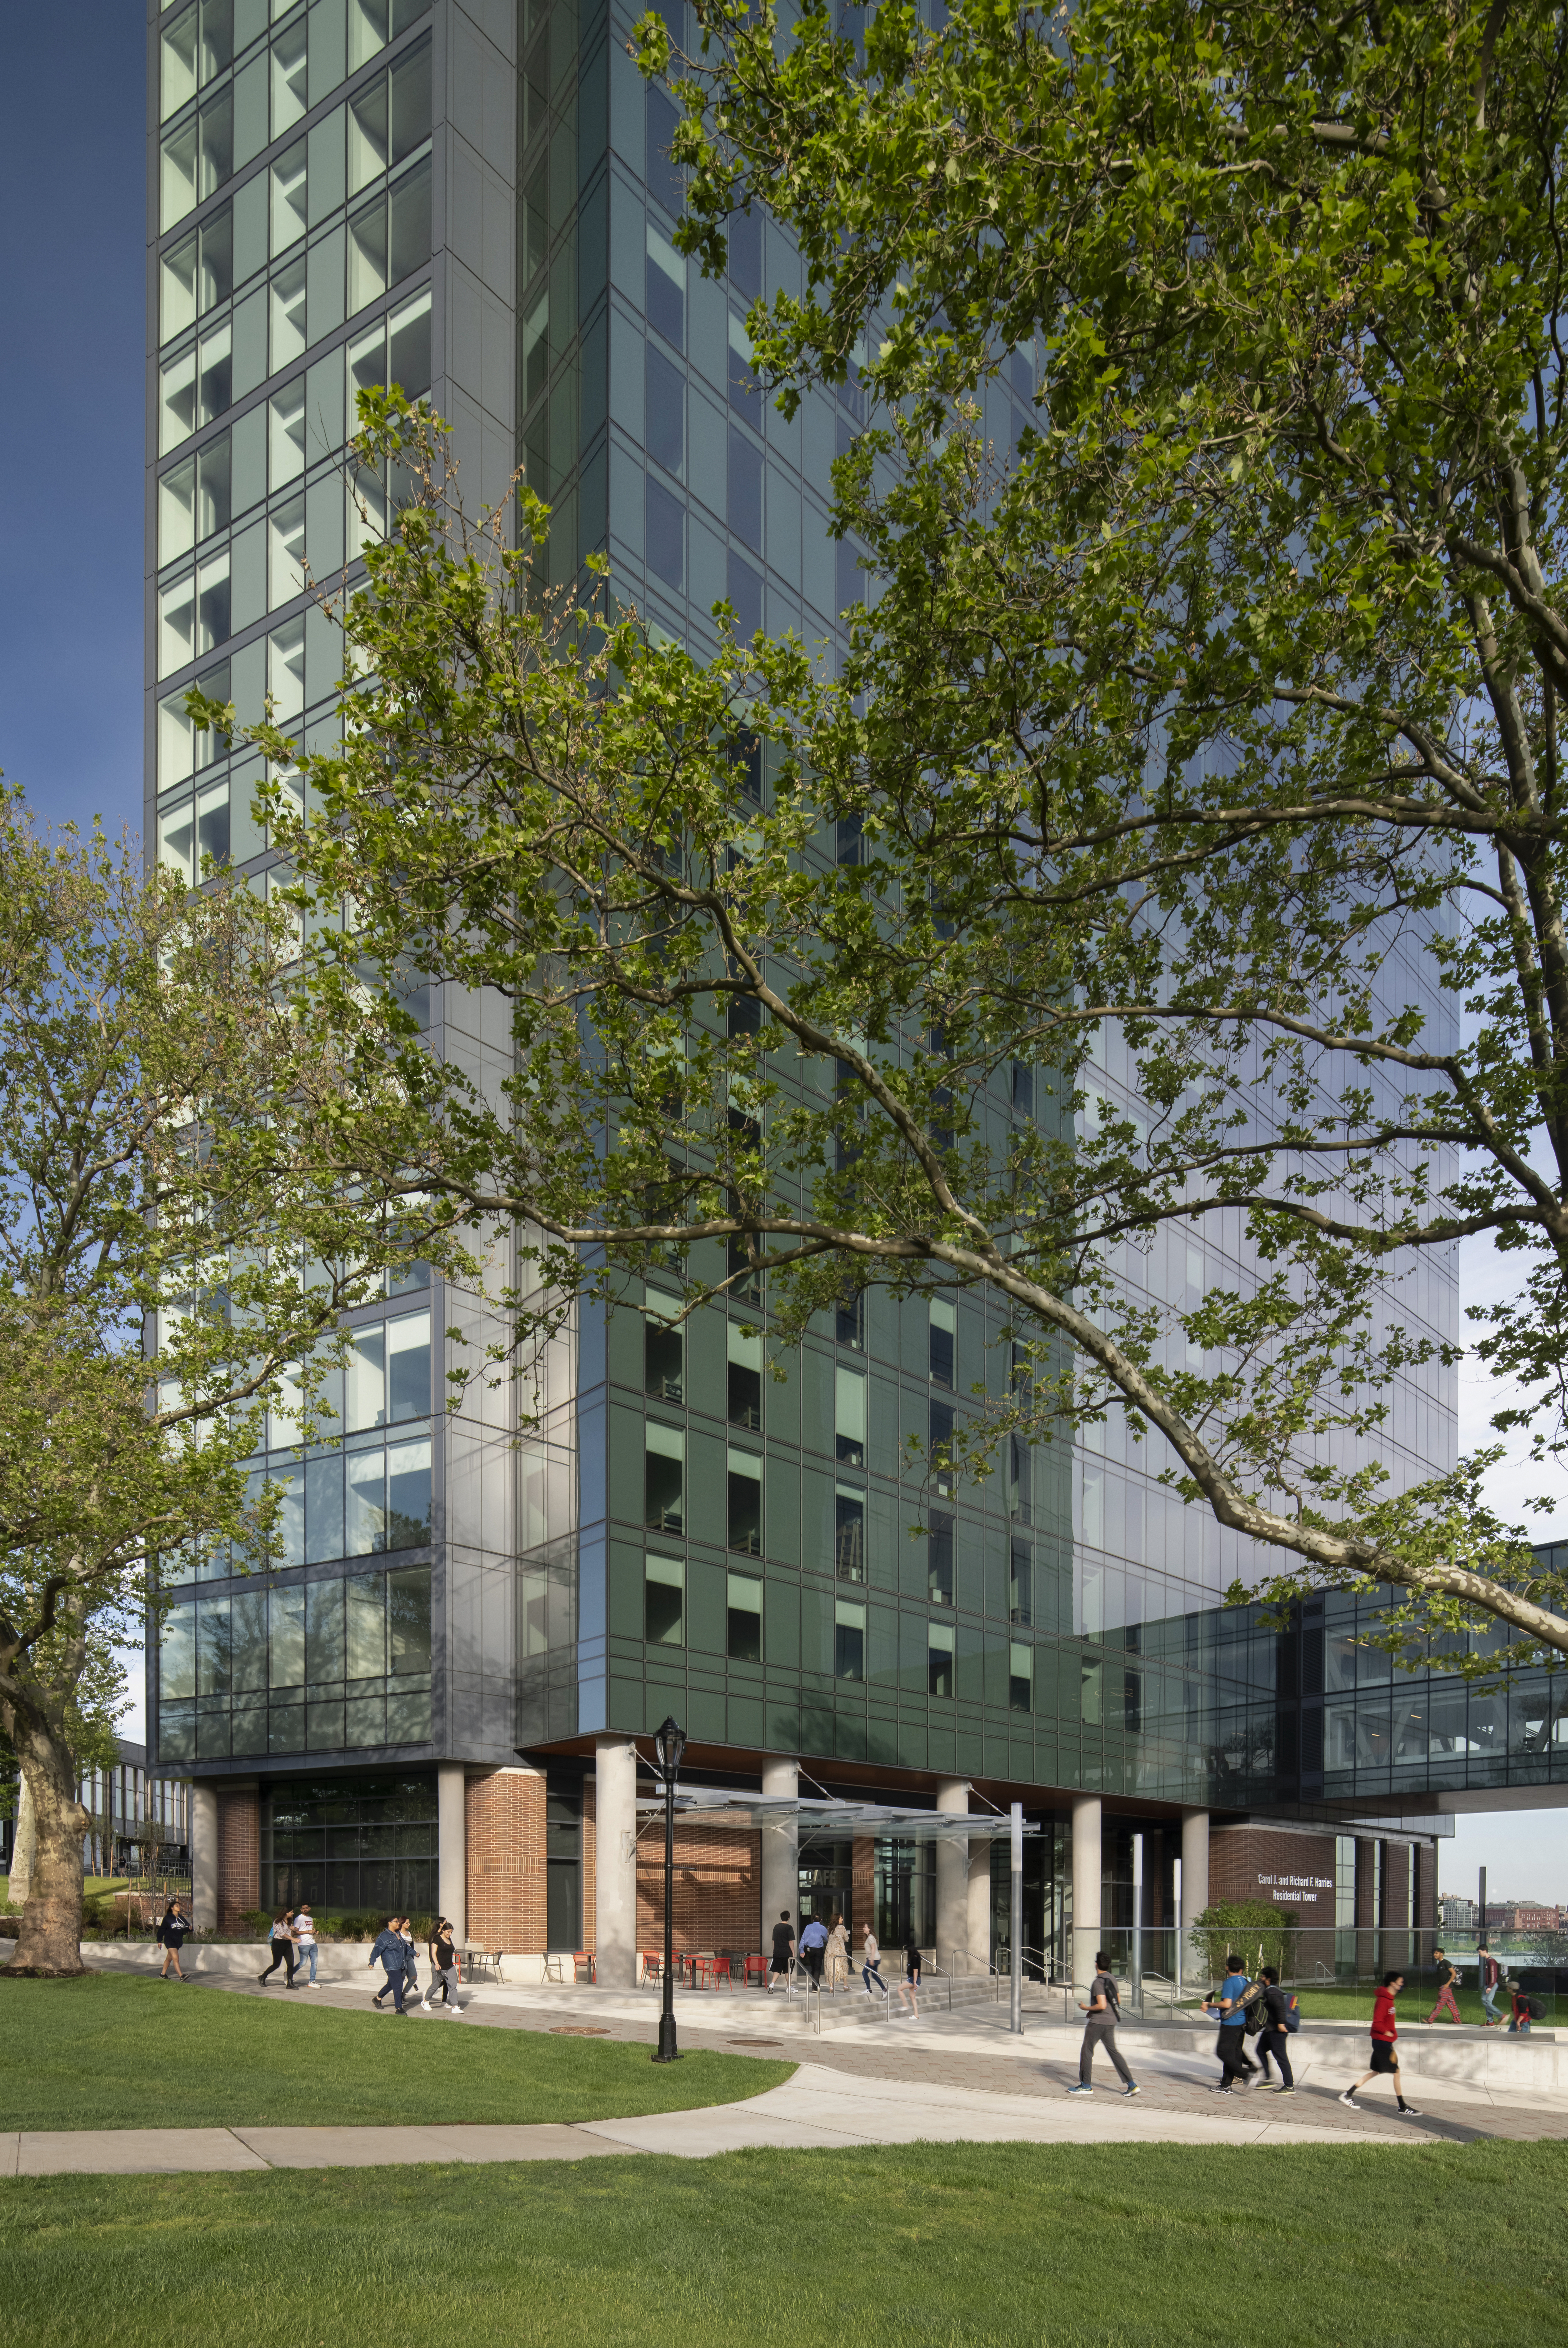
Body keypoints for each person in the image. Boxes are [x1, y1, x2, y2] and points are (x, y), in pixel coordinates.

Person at [1339, 1969, 1422, 2115]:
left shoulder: (1389, 1999)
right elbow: (1377, 2023)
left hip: (1383, 2042)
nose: (1403, 1985)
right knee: (1396, 2072)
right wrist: (1387, 2032)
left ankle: (1348, 2095)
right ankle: (1402, 2107)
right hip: (1382, 2042)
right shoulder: (1384, 2000)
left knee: (1377, 2072)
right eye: (1401, 1982)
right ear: (1393, 1983)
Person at [1066, 1951, 1139, 2097]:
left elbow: (1102, 2005)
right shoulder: (1112, 1979)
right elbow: (1116, 2000)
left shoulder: (1098, 1982)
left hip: (1098, 2024)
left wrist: (1087, 2008)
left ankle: (1086, 2085)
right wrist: (1093, 2011)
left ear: (1096, 1965)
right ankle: (1132, 2085)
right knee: (1114, 2052)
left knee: (1087, 2051)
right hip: (1111, 2022)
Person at [1204, 1953, 1255, 2094]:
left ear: (1227, 1968)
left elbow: (1227, 2004)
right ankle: (1226, 2085)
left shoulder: (1230, 1983)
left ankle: (1246, 2075)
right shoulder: (1245, 1982)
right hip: (1242, 2022)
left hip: (1231, 2023)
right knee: (1232, 2053)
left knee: (1222, 2052)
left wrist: (1209, 2005)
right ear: (1242, 1970)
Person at [1254, 1965, 1296, 2094]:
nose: (1261, 1978)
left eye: (1262, 1976)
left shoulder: (1271, 1991)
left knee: (1281, 2058)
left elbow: (1280, 2008)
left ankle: (1289, 2086)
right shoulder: (1274, 1990)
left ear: (1268, 1979)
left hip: (1277, 2031)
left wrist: (1281, 2024)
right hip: (1270, 2030)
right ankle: (1268, 2079)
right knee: (1260, 2050)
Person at [368, 1915, 410, 2014]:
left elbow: (406, 1948)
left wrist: (414, 1953)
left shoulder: (398, 1935)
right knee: (398, 1986)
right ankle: (399, 2009)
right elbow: (377, 1949)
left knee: (391, 1984)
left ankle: (378, 1999)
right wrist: (372, 1962)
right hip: (391, 1965)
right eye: (396, 1922)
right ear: (390, 1923)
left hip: (400, 1964)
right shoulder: (384, 1936)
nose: (398, 1923)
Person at [422, 1916, 463, 2014]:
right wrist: (436, 1964)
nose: (450, 1934)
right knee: (435, 1986)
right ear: (443, 1930)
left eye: (451, 1932)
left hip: (450, 1967)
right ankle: (425, 2002)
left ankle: (455, 2006)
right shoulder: (437, 1938)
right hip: (440, 1967)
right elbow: (433, 1953)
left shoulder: (449, 1940)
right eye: (448, 1932)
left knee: (453, 1986)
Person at [258, 1907, 298, 1989]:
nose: (293, 1914)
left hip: (288, 1944)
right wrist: (293, 1939)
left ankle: (290, 1983)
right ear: (286, 1913)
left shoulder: (290, 1922)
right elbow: (282, 1934)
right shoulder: (277, 1922)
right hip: (278, 1944)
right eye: (292, 1912)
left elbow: (290, 1935)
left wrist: (294, 1931)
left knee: (291, 1964)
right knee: (276, 1965)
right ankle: (262, 1977)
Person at [1424, 1946, 1462, 2026]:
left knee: (1440, 2003)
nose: (1435, 1955)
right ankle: (1457, 2020)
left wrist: (1447, 1984)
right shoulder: (1440, 1964)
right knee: (1451, 2004)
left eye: (1436, 1953)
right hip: (1445, 1987)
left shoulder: (1446, 1963)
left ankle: (1430, 2020)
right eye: (1434, 1954)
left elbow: (1454, 1973)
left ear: (1442, 1954)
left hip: (1446, 1987)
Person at [157, 1897, 189, 1981]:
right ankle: (181, 1976)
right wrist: (159, 1941)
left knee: (169, 1959)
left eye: (179, 1906)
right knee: (176, 1958)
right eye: (177, 1906)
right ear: (172, 1908)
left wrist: (189, 1929)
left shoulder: (181, 1918)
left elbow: (188, 1927)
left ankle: (163, 1975)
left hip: (178, 1941)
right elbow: (162, 1930)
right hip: (170, 1941)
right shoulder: (168, 1919)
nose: (179, 1907)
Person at [797, 1911, 829, 1988]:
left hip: (810, 1950)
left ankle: (816, 1985)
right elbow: (828, 1938)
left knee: (813, 1967)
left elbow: (803, 1939)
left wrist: (801, 1950)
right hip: (819, 1950)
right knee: (818, 1968)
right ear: (821, 1920)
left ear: (813, 1920)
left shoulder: (808, 1927)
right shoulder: (823, 1928)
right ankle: (815, 1986)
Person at [895, 1926, 921, 2018]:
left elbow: (916, 1972)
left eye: (907, 1952)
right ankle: (916, 2015)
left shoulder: (914, 1959)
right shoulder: (917, 1958)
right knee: (912, 1996)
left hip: (913, 1980)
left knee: (900, 1989)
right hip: (917, 1980)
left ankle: (906, 2005)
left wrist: (914, 1982)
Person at [767, 1910, 795, 1994]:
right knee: (788, 1971)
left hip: (778, 1952)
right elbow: (791, 1941)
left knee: (777, 1970)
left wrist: (775, 1950)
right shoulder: (789, 1928)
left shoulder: (776, 1927)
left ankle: (772, 1985)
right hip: (787, 1953)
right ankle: (789, 1988)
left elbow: (774, 1941)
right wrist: (793, 1953)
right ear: (789, 1918)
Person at [860, 1921, 890, 2000]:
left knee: (864, 1973)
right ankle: (884, 1990)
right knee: (874, 1975)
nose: (864, 1928)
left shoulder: (871, 1938)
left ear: (869, 1929)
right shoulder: (869, 1937)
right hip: (875, 1959)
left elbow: (874, 1949)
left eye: (865, 1927)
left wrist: (872, 1959)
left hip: (874, 1959)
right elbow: (871, 1950)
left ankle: (869, 1990)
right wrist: (868, 1960)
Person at [294, 1901, 319, 1988]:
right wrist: (309, 1932)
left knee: (315, 1963)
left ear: (310, 1909)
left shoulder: (311, 1919)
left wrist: (314, 1932)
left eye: (307, 1908)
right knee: (303, 1963)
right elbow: (296, 1932)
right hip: (303, 1944)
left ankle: (312, 1982)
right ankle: (289, 1974)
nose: (305, 1910)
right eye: (303, 1909)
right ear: (301, 1910)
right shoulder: (299, 1919)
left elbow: (310, 1930)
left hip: (313, 1943)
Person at [1478, 1942, 1502, 2027]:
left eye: (1480, 1952)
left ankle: (1501, 2016)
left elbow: (1493, 1975)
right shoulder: (1488, 1961)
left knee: (1486, 2001)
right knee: (1488, 2002)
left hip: (1492, 1984)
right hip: (1489, 1984)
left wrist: (1490, 1987)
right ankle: (1490, 2022)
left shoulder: (1491, 1961)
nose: (1479, 1953)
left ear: (1485, 1951)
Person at [825, 1914, 850, 1993]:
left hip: (830, 1952)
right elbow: (847, 1939)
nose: (843, 1920)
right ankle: (846, 1986)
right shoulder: (842, 1928)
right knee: (843, 1967)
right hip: (839, 1952)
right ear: (837, 1919)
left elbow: (828, 1938)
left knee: (831, 1968)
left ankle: (831, 1987)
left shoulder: (829, 1928)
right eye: (841, 1918)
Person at [399, 1915, 420, 2006]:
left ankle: (404, 1994)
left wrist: (414, 1954)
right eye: (407, 1923)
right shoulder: (398, 1933)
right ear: (402, 1923)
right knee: (402, 1979)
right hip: (402, 1958)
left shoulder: (409, 1933)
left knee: (414, 1977)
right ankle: (399, 1998)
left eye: (409, 1923)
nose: (409, 1924)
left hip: (410, 1957)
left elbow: (411, 1945)